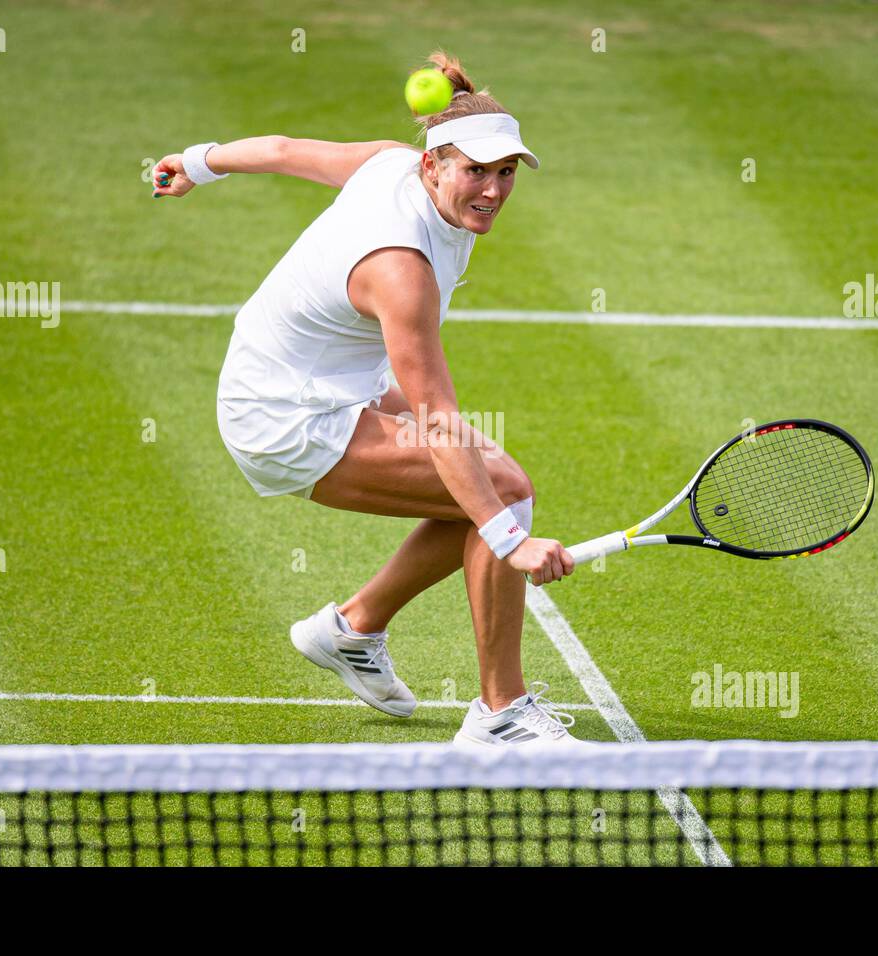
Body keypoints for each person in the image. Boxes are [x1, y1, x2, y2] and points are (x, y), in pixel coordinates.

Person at [151, 52, 581, 747]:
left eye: (505, 173)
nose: (494, 190)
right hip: (285, 415)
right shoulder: (399, 268)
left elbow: (285, 151)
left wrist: (198, 163)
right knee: (500, 492)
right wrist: (513, 542)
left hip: (318, 379)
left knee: (488, 491)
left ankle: (352, 630)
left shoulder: (391, 164)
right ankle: (501, 717)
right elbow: (438, 417)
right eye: (476, 171)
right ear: (434, 165)